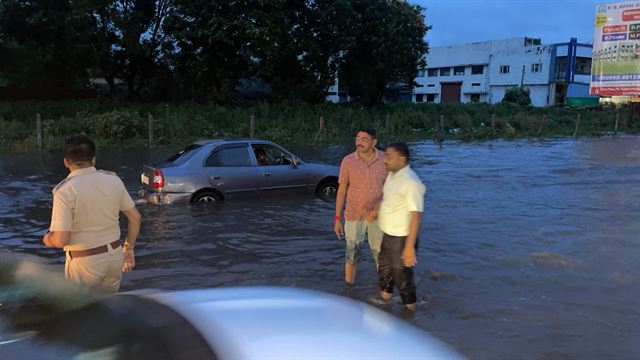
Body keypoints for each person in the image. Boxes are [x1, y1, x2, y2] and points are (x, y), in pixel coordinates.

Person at [42, 135, 141, 294]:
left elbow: (61, 239)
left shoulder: (64, 191)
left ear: (66, 162)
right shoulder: (113, 180)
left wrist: (47, 239)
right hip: (115, 256)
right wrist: (129, 249)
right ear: (93, 159)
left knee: (82, 314)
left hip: (85, 263)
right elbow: (135, 217)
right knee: (108, 310)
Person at [373, 143, 426, 311]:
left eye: (389, 157)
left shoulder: (411, 182)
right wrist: (375, 210)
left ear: (401, 159)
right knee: (385, 275)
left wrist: (409, 248)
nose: (384, 160)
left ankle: (411, 318)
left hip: (401, 239)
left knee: (403, 280)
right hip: (388, 235)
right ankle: (385, 306)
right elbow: (387, 197)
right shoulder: (392, 175)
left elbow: (416, 216)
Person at [334, 126, 387, 285]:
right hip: (353, 215)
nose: (359, 142)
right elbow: (342, 190)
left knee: (381, 256)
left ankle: (384, 293)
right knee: (351, 255)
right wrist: (337, 218)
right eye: (357, 138)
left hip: (378, 217)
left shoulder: (385, 159)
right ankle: (349, 291)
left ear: (374, 142)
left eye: (364, 139)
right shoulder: (348, 160)